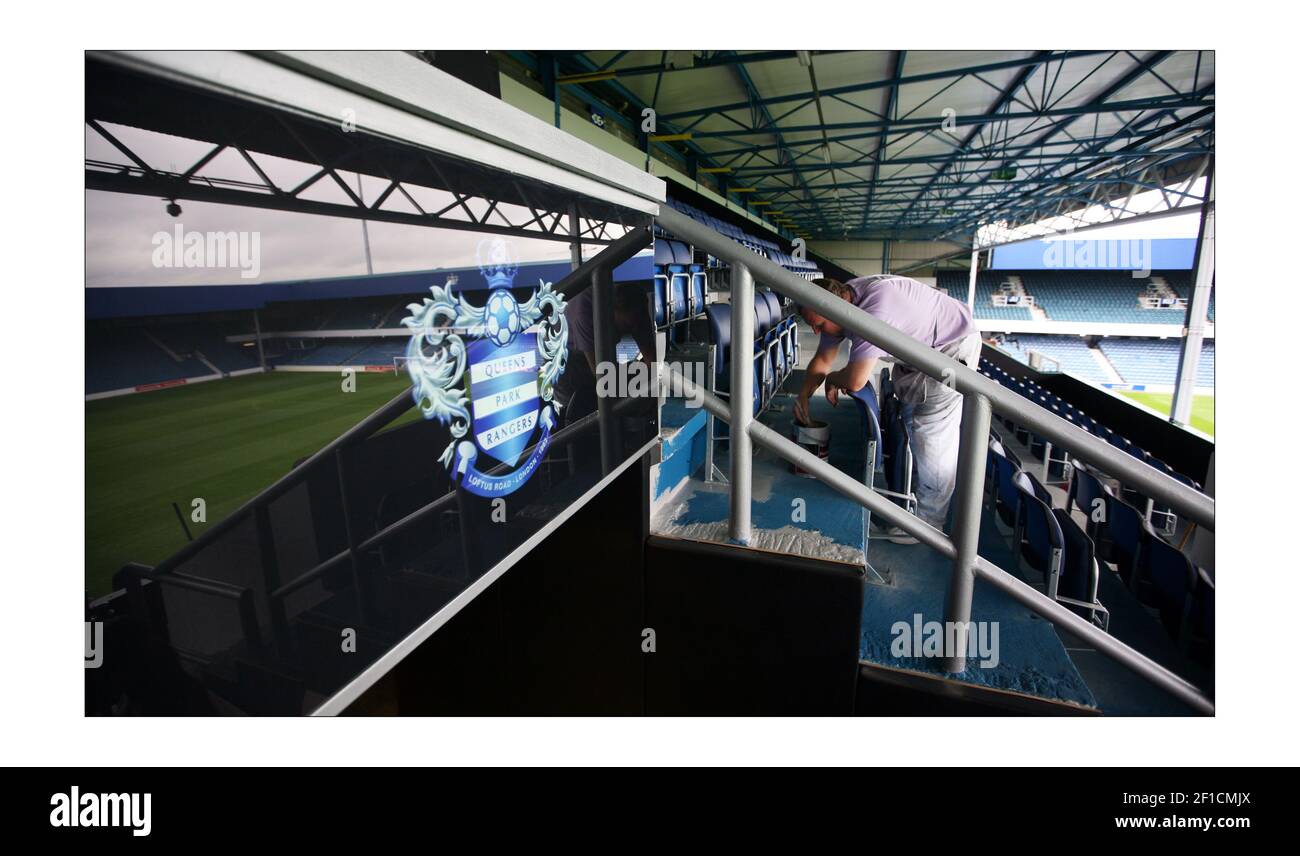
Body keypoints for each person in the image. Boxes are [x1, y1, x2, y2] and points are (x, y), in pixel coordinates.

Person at [795, 275, 982, 543]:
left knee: (932, 436)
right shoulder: (839, 304)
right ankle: (916, 503)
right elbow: (823, 359)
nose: (817, 332)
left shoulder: (875, 309)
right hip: (921, 350)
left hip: (951, 348)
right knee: (913, 430)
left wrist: (835, 379)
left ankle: (930, 525)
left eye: (820, 325)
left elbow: (856, 380)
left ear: (838, 304)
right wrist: (804, 395)